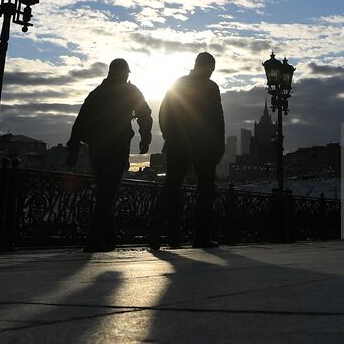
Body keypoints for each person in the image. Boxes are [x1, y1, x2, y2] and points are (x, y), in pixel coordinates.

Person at [66, 58, 152, 252]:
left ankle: (109, 239)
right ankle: (93, 240)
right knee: (107, 192)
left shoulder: (96, 93)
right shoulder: (129, 91)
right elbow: (145, 115)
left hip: (97, 148)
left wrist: (73, 149)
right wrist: (144, 138)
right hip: (117, 147)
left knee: (105, 192)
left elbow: (80, 121)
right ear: (125, 73)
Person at [149, 51, 225, 248]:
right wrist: (219, 146)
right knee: (205, 191)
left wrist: (170, 136)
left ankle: (156, 232)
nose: (211, 72)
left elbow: (164, 112)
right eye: (211, 68)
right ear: (207, 67)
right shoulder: (211, 87)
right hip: (204, 147)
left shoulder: (179, 83)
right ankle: (200, 238)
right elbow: (218, 120)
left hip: (179, 145)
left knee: (171, 186)